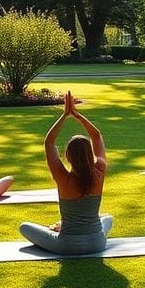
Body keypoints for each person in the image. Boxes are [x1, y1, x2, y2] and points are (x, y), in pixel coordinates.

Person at [19, 91, 112, 255]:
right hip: (97, 243)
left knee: (24, 227)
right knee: (108, 218)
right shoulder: (100, 170)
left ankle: (61, 227)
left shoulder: (63, 178)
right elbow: (96, 137)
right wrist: (77, 115)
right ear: (90, 155)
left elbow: (49, 142)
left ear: (68, 156)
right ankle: (62, 225)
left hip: (67, 245)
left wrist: (64, 115)